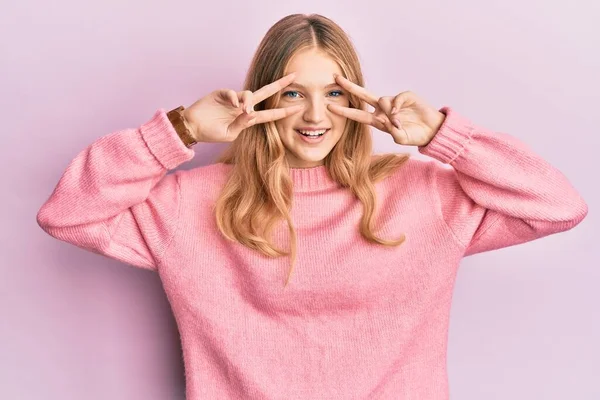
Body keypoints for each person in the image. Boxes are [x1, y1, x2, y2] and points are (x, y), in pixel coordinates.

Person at [36, 13, 588, 400]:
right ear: (263, 99)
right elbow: (68, 213)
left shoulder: (424, 193)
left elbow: (556, 206)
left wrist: (443, 135)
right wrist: (178, 130)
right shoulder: (191, 203)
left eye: (337, 94)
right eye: (294, 94)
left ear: (359, 100)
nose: (315, 116)